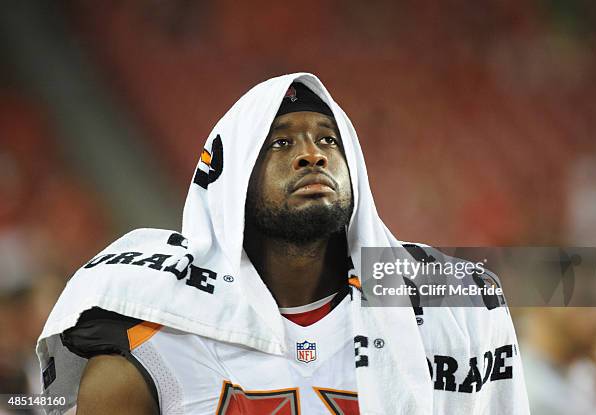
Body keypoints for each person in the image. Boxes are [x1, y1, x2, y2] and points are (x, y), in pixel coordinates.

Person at [37, 74, 530, 414]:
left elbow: (574, 281)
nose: (312, 155)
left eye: (329, 140)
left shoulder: (448, 298)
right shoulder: (145, 334)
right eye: (281, 143)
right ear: (231, 183)